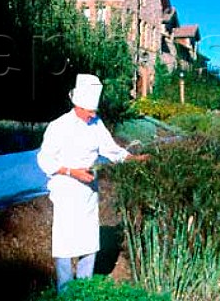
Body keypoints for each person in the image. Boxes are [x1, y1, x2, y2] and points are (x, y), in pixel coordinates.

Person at [37, 73, 149, 292]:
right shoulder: (59, 126)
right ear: (77, 105)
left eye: (94, 111)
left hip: (88, 191)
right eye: (89, 111)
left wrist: (133, 159)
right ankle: (66, 290)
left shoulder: (96, 124)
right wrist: (72, 172)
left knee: (88, 240)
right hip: (66, 189)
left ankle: (85, 287)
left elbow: (110, 148)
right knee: (66, 241)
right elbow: (45, 159)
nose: (92, 115)